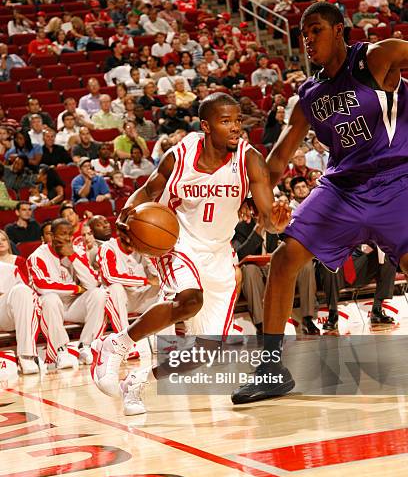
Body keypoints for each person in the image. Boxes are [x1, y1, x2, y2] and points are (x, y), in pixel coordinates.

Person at [231, 1, 408, 404]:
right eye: (303, 33)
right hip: (342, 189)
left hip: (396, 181)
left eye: (316, 30)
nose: (308, 39)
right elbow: (278, 157)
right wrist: (254, 195)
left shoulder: (376, 58)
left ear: (339, 30)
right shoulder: (310, 94)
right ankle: (272, 370)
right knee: (283, 259)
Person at [91, 92, 289, 415]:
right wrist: (126, 212)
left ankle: (139, 380)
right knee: (189, 300)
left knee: (205, 353)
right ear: (206, 126)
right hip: (178, 243)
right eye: (226, 121)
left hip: (219, 253)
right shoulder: (179, 155)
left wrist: (275, 221)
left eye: (238, 120)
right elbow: (150, 190)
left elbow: (267, 213)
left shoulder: (248, 158)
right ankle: (117, 344)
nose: (235, 127)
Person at [28, 218, 107, 368]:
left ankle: (86, 346)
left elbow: (91, 283)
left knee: (99, 294)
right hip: (49, 309)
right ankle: (61, 351)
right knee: (50, 298)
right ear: (51, 235)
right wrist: (76, 288)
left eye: (69, 234)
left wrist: (72, 257)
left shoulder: (77, 252)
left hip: (72, 306)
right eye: (62, 234)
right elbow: (42, 287)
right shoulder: (37, 256)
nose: (67, 237)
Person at [320, 246, 397, 331]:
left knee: (388, 251)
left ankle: (377, 310)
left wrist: (368, 245)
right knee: (329, 264)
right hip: (337, 266)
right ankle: (333, 314)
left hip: (358, 264)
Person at [0, 261, 42, 375]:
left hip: (3, 314)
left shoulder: (9, 269)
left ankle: (26, 355)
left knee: (22, 290)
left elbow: (29, 297)